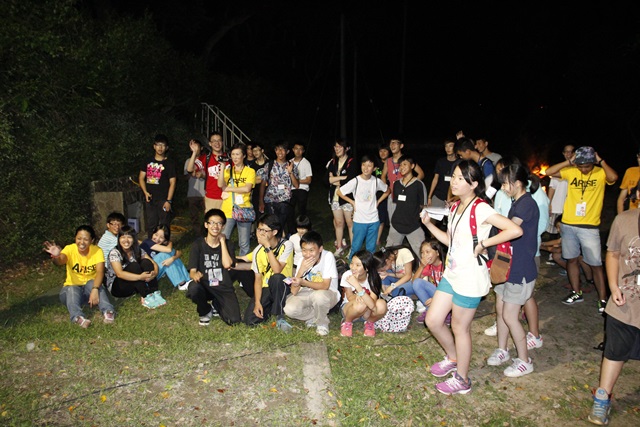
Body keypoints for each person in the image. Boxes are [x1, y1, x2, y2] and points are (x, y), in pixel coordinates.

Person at [420, 160, 522, 395]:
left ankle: (462, 379)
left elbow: (515, 230)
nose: (454, 182)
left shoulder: (481, 208)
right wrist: (429, 225)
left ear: (474, 184)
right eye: (454, 177)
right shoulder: (455, 207)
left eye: (460, 178)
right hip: (452, 274)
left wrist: (485, 243)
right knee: (433, 320)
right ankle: (453, 357)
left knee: (459, 328)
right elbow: (451, 241)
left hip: (470, 279)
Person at [588, 181, 640, 425]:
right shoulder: (624, 220)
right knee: (614, 351)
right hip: (626, 301)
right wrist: (613, 285)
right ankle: (602, 398)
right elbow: (613, 253)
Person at [485, 156, 548, 350]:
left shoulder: (526, 204)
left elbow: (510, 230)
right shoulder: (517, 202)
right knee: (501, 310)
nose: (503, 188)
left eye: (505, 184)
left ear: (518, 183)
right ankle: (502, 349)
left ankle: (523, 359)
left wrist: (485, 240)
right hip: (508, 264)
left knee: (510, 316)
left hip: (519, 266)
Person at [545, 146, 618, 313]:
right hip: (568, 224)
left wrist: (601, 161)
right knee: (571, 259)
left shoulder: (600, 173)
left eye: (587, 166)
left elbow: (613, 177)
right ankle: (576, 292)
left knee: (595, 264)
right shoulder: (572, 171)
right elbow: (549, 172)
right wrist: (569, 162)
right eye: (581, 166)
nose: (584, 169)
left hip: (589, 226)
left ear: (593, 162)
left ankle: (602, 300)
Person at [187, 208, 254, 326]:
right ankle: (205, 311)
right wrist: (194, 275)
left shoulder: (227, 244)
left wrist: (222, 242)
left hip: (223, 286)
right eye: (212, 223)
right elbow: (192, 270)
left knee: (234, 321)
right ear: (206, 225)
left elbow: (227, 264)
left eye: (219, 223)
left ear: (223, 226)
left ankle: (217, 304)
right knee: (194, 288)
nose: (215, 226)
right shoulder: (198, 245)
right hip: (206, 285)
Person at [43, 225, 116, 328]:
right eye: (79, 238)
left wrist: (95, 289)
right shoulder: (70, 249)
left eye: (85, 239)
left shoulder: (97, 251)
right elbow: (60, 261)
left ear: (92, 240)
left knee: (93, 283)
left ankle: (108, 312)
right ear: (75, 238)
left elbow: (100, 271)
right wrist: (56, 256)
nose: (82, 242)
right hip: (71, 293)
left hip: (89, 292)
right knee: (72, 288)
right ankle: (78, 318)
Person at [242, 214, 294, 330]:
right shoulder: (257, 251)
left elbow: (277, 270)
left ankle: (279, 316)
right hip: (267, 287)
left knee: (276, 278)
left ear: (274, 232)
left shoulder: (286, 245)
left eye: (265, 231)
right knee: (250, 320)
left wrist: (267, 247)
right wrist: (257, 302)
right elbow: (258, 279)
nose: (260, 234)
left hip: (285, 284)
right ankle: (270, 308)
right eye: (259, 229)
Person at [284, 231, 340, 336]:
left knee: (319, 296)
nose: (307, 254)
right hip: (307, 292)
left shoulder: (327, 256)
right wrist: (301, 271)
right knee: (289, 309)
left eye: (311, 250)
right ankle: (314, 316)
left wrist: (303, 282)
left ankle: (322, 323)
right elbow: (294, 291)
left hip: (327, 293)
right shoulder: (302, 261)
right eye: (304, 250)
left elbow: (325, 285)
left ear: (320, 249)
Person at [337, 154, 390, 259]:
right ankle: (352, 264)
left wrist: (378, 201)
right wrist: (352, 202)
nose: (366, 168)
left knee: (371, 248)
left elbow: (387, 190)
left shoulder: (376, 181)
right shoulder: (356, 181)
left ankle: (369, 266)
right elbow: (340, 192)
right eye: (364, 165)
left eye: (369, 165)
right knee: (356, 246)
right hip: (359, 220)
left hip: (373, 219)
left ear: (374, 168)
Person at [106, 226, 164, 309]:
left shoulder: (137, 250)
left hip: (133, 283)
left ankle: (154, 292)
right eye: (123, 237)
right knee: (134, 266)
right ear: (119, 239)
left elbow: (153, 263)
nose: (126, 240)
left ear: (134, 239)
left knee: (146, 262)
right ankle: (146, 296)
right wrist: (140, 277)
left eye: (129, 237)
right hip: (118, 288)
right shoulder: (114, 252)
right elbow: (119, 274)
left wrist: (154, 273)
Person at [218, 142, 256, 256]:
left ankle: (242, 262)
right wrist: (222, 166)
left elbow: (247, 189)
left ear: (243, 155)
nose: (235, 157)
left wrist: (228, 188)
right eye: (233, 154)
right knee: (223, 238)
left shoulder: (250, 171)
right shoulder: (228, 171)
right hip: (228, 209)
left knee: (244, 242)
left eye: (237, 154)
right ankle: (224, 260)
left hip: (244, 209)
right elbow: (220, 185)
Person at [340, 250, 388, 337]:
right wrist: (360, 297)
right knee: (361, 304)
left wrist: (357, 286)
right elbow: (350, 297)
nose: (353, 267)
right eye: (352, 263)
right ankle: (347, 322)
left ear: (367, 268)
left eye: (358, 265)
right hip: (350, 309)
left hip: (368, 312)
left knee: (382, 304)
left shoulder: (373, 278)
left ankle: (369, 323)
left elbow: (372, 305)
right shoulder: (347, 275)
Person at [386, 155, 427, 256]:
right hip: (397, 224)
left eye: (405, 164)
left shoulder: (419, 184)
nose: (401, 167)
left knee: (423, 253)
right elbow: (396, 203)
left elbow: (424, 206)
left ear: (412, 166)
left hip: (413, 226)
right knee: (389, 254)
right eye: (400, 165)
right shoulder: (396, 184)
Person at [138, 134, 177, 238]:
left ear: (167, 147)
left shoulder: (169, 163)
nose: (160, 147)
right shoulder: (147, 161)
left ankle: (165, 245)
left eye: (163, 145)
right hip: (150, 198)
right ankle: (151, 245)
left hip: (163, 199)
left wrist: (169, 200)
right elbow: (141, 178)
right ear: (154, 146)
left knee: (164, 224)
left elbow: (173, 182)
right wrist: (145, 192)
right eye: (158, 145)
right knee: (151, 224)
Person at [258, 140, 299, 237]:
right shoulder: (269, 165)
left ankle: (279, 241)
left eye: (282, 149)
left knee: (280, 224)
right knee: (272, 225)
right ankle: (273, 242)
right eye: (277, 149)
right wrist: (261, 201)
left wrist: (290, 172)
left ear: (287, 151)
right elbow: (263, 184)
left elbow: (296, 185)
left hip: (285, 200)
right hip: (270, 200)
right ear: (275, 151)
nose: (280, 152)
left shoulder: (291, 165)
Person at [325, 138, 358, 256]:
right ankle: (339, 246)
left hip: (347, 197)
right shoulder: (333, 162)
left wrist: (334, 179)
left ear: (346, 148)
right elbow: (327, 180)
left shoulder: (352, 162)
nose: (337, 149)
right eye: (335, 147)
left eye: (339, 147)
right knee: (338, 223)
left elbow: (351, 180)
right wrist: (342, 178)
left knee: (350, 223)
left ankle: (354, 250)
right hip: (335, 197)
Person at [381, 138, 425, 221]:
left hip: (406, 196)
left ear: (401, 146)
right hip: (393, 196)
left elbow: (421, 174)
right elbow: (383, 176)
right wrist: (386, 188)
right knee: (392, 221)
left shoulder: (406, 159)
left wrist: (411, 185)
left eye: (395, 143)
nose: (392, 145)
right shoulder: (388, 161)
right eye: (391, 143)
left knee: (407, 220)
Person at [139, 224, 191, 291]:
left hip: (154, 274)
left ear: (164, 240)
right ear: (153, 233)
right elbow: (169, 250)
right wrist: (170, 242)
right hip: (145, 276)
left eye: (161, 237)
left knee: (169, 255)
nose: (157, 239)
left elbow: (179, 252)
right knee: (164, 255)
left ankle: (187, 278)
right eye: (156, 235)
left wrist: (172, 259)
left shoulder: (161, 246)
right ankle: (182, 284)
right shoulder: (147, 242)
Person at [186, 131, 226, 211]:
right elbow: (190, 169)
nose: (217, 143)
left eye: (219, 140)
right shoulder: (206, 158)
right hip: (211, 197)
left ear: (222, 142)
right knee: (212, 218)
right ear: (210, 144)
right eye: (214, 141)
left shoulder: (229, 157)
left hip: (228, 197)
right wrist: (194, 153)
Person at [413, 239, 446, 324]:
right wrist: (421, 266)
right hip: (438, 293)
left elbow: (452, 289)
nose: (424, 255)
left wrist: (436, 298)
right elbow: (414, 282)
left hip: (448, 295)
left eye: (427, 252)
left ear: (437, 253)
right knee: (417, 283)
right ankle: (431, 311)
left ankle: (446, 313)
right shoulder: (429, 266)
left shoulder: (446, 266)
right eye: (422, 252)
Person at [546, 144, 575, 234]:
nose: (568, 154)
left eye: (571, 152)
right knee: (552, 233)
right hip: (557, 207)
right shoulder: (558, 169)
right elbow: (552, 187)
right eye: (566, 152)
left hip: (571, 209)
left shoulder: (580, 170)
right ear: (563, 153)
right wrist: (549, 204)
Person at [288, 141, 313, 233]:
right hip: (291, 189)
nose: (298, 151)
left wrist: (296, 181)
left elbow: (309, 180)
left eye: (300, 149)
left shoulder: (306, 163)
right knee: (289, 210)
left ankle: (304, 228)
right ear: (293, 150)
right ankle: (292, 231)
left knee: (301, 210)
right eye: (296, 149)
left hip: (302, 188)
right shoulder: (289, 162)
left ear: (303, 151)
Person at [428, 138, 458, 208]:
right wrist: (429, 197)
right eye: (446, 146)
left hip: (454, 198)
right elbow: (435, 179)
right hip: (439, 196)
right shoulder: (440, 162)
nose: (448, 148)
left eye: (450, 146)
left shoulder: (459, 163)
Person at [184, 139, 206, 234]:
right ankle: (197, 233)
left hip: (204, 193)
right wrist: (190, 174)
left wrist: (202, 175)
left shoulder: (206, 160)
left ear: (201, 148)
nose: (195, 149)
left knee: (206, 214)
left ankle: (206, 232)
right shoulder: (188, 161)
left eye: (197, 147)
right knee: (194, 215)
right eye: (193, 147)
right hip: (192, 193)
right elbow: (185, 176)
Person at [98, 211, 126, 275]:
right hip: (108, 270)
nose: (117, 227)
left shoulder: (115, 236)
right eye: (114, 224)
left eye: (119, 224)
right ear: (108, 225)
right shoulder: (108, 238)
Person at [375, 144, 391, 247]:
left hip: (388, 193)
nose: (383, 153)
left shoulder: (391, 163)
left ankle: (377, 239)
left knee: (383, 216)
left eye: (385, 151)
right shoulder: (375, 164)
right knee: (376, 215)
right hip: (376, 193)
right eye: (381, 151)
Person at [616, 148, 640, 213]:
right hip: (632, 214)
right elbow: (621, 198)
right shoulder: (630, 172)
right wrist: (621, 216)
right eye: (639, 156)